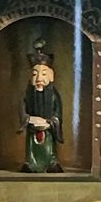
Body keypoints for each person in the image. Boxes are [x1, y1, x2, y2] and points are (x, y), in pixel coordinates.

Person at [22, 43, 63, 173]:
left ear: (51, 76)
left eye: (44, 74)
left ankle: (50, 163)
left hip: (48, 130)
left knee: (48, 148)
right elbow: (22, 110)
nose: (39, 78)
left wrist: (50, 122)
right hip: (33, 129)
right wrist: (29, 119)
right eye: (35, 74)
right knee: (32, 148)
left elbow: (58, 112)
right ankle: (31, 163)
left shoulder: (53, 95)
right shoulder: (27, 94)